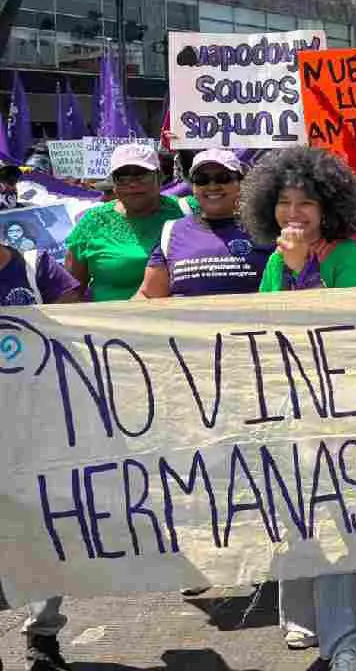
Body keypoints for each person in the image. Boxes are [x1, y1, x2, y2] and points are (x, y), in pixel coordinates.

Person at [242, 146, 356, 670]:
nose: (293, 214)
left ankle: (348, 644)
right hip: (288, 408)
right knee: (293, 513)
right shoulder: (275, 260)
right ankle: (299, 614)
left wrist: (305, 271)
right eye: (283, 202)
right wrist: (289, 267)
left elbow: (347, 330)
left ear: (328, 209)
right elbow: (265, 328)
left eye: (306, 203)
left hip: (342, 410)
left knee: (338, 522)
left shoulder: (348, 257)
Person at [1, 240, 81, 671]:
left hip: (38, 429)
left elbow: (79, 328)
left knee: (48, 533)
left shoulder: (35, 267)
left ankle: (43, 636)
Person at [135, 149, 269, 299]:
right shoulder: (172, 231)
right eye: (202, 179)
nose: (212, 186)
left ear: (240, 182)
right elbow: (148, 295)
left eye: (223, 178)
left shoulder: (265, 228)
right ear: (192, 187)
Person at [64, 143, 184, 301]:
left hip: (176, 321)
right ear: (113, 183)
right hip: (110, 322)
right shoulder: (92, 221)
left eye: (142, 176)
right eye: (122, 178)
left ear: (160, 177)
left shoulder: (185, 211)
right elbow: (70, 291)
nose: (132, 184)